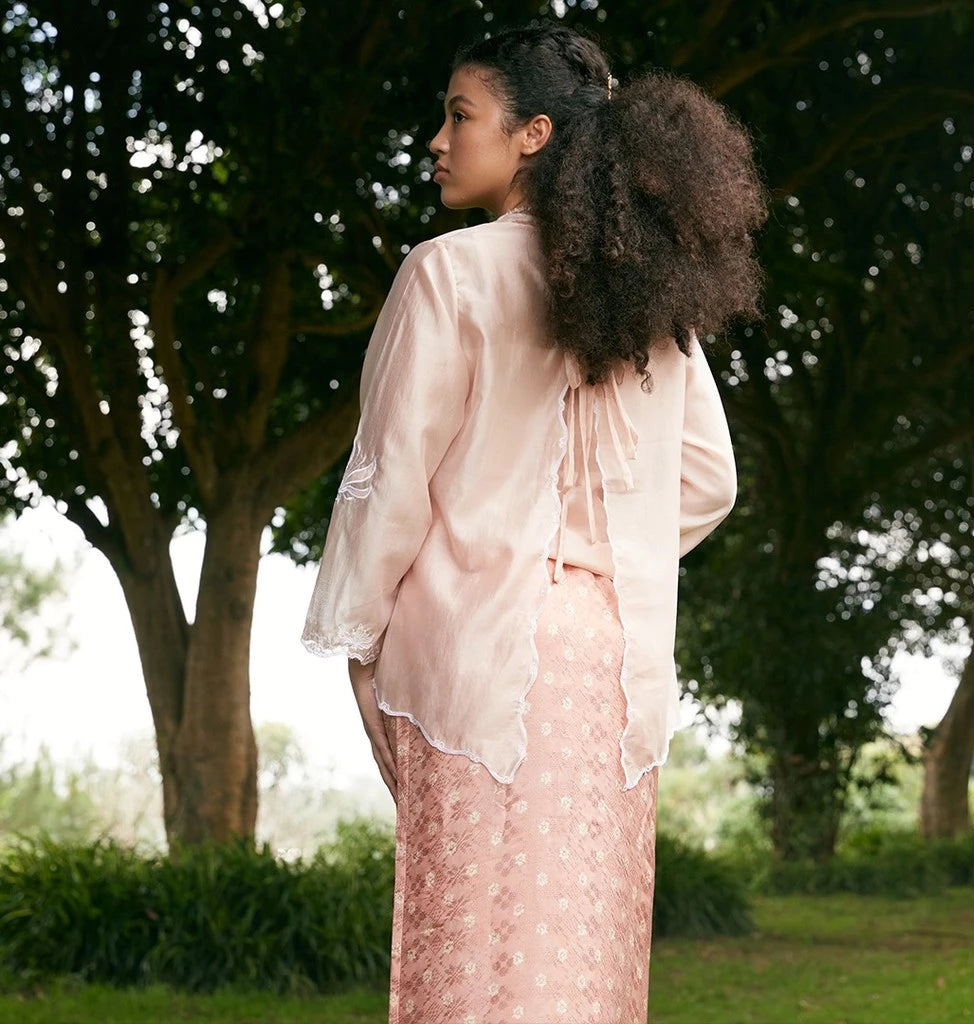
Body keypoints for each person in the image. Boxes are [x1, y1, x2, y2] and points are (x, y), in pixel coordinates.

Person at [301, 23, 766, 1024]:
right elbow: (706, 479)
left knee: (472, 962)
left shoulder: (448, 272)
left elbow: (393, 482)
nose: (437, 139)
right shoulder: (646, 293)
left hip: (475, 651)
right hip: (609, 664)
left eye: (459, 115)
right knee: (578, 962)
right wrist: (602, 550)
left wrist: (360, 639)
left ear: (533, 133)